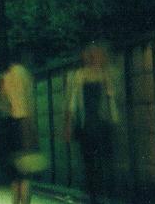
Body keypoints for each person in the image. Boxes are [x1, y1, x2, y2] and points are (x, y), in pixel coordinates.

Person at [63, 43, 118, 204]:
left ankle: (98, 195)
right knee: (92, 161)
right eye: (90, 55)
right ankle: (95, 196)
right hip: (89, 123)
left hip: (99, 123)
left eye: (94, 55)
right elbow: (73, 102)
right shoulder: (80, 75)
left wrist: (114, 118)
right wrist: (69, 123)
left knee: (98, 161)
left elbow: (111, 99)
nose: (92, 58)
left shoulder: (106, 74)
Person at [0, 55, 42, 203]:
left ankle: (15, 201)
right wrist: (33, 129)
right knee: (26, 172)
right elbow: (30, 103)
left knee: (15, 172)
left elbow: (1, 102)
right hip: (24, 122)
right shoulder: (24, 74)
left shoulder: (5, 77)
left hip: (10, 124)